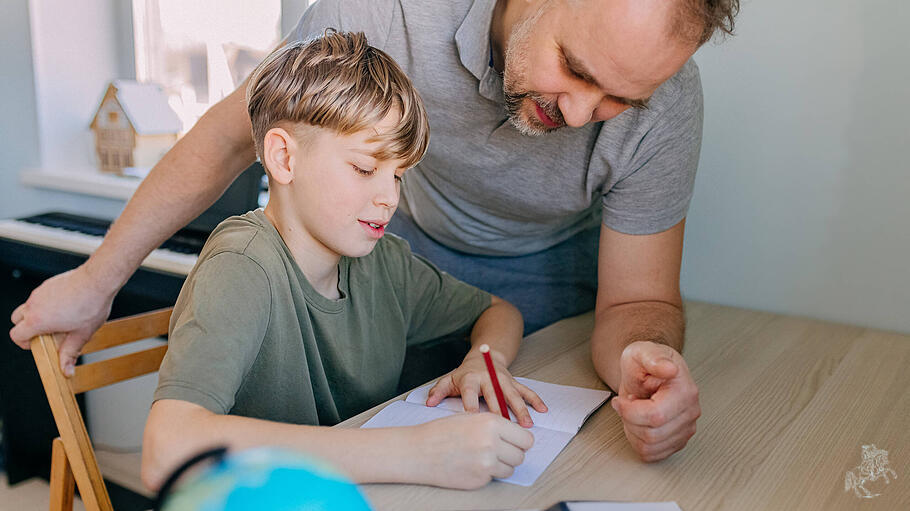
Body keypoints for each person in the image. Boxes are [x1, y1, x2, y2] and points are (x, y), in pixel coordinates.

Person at [11, 0, 740, 462]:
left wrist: (645, 355)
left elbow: (634, 301)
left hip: (546, 291)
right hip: (413, 265)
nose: (582, 115)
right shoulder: (388, 12)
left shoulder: (668, 106)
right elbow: (232, 134)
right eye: (574, 69)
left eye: (620, 98)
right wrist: (98, 276)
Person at [141, 31, 546, 491]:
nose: (389, 197)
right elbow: (166, 449)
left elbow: (497, 311)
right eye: (364, 169)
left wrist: (482, 360)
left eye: (398, 175)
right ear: (283, 157)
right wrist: (416, 452)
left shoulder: (384, 262)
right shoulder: (241, 265)